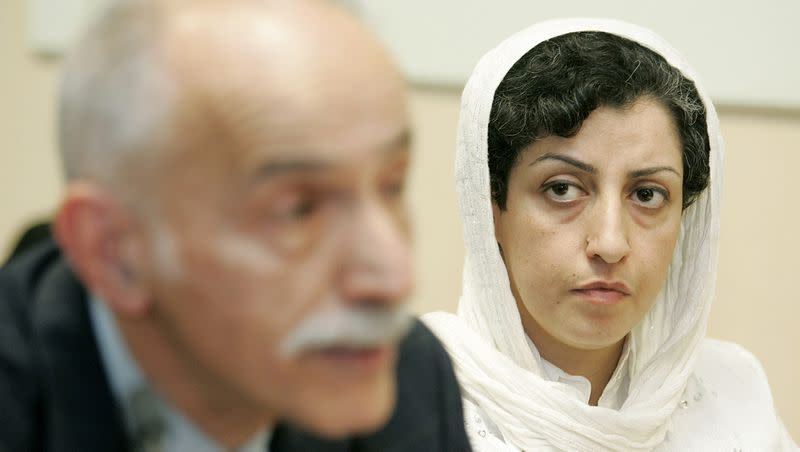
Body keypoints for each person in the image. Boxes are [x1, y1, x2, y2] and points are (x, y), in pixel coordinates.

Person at [0, 1, 471, 451]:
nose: (394, 280)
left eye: (391, 187)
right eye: (298, 210)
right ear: (113, 251)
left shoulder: (406, 376)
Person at [423, 18, 796, 450]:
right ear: (489, 207)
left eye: (647, 194)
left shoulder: (735, 397)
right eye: (562, 189)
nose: (611, 243)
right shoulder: (404, 403)